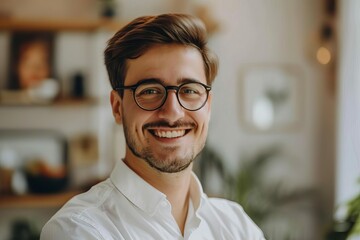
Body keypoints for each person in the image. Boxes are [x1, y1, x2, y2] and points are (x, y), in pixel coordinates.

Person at [40, 13, 265, 239]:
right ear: (117, 107)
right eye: (149, 91)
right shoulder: (78, 229)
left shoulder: (237, 226)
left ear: (208, 106)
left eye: (189, 90)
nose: (172, 112)